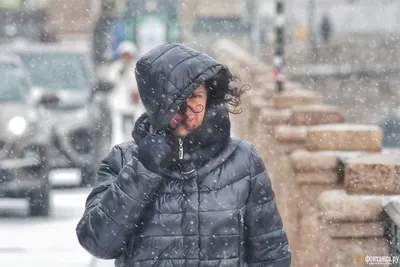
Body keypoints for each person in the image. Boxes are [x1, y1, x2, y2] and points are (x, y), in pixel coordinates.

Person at [76, 43, 291, 266]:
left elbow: (271, 251)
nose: (187, 111)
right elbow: (97, 242)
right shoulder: (123, 160)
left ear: (208, 98)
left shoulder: (243, 160)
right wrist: (142, 170)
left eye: (196, 96)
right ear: (156, 103)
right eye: (175, 100)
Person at [108, 40, 145, 144]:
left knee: (135, 123)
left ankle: (135, 142)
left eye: (129, 55)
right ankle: (117, 143)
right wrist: (120, 72)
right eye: (125, 55)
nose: (127, 58)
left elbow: (139, 83)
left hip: (132, 102)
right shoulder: (116, 67)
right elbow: (111, 81)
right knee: (118, 126)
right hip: (118, 101)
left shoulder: (136, 67)